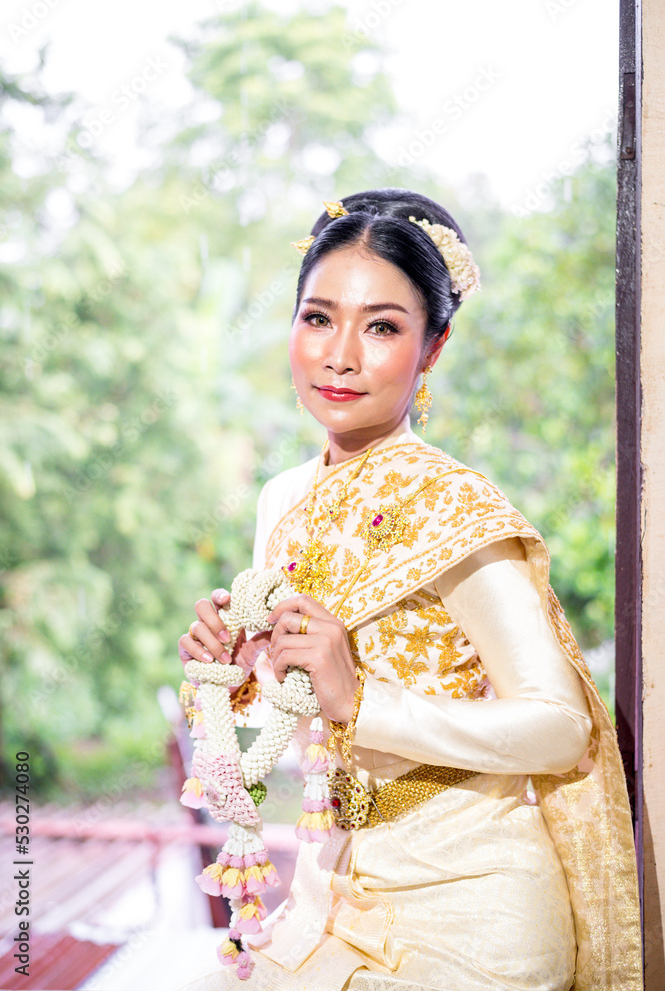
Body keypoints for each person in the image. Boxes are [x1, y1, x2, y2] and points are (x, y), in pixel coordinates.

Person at [177, 189, 642, 991]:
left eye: (383, 326)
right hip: (331, 895)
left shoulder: (454, 508)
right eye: (318, 318)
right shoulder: (284, 500)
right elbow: (301, 738)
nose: (340, 354)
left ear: (432, 348)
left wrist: (358, 698)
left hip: (471, 916)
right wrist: (240, 675)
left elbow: (560, 729)